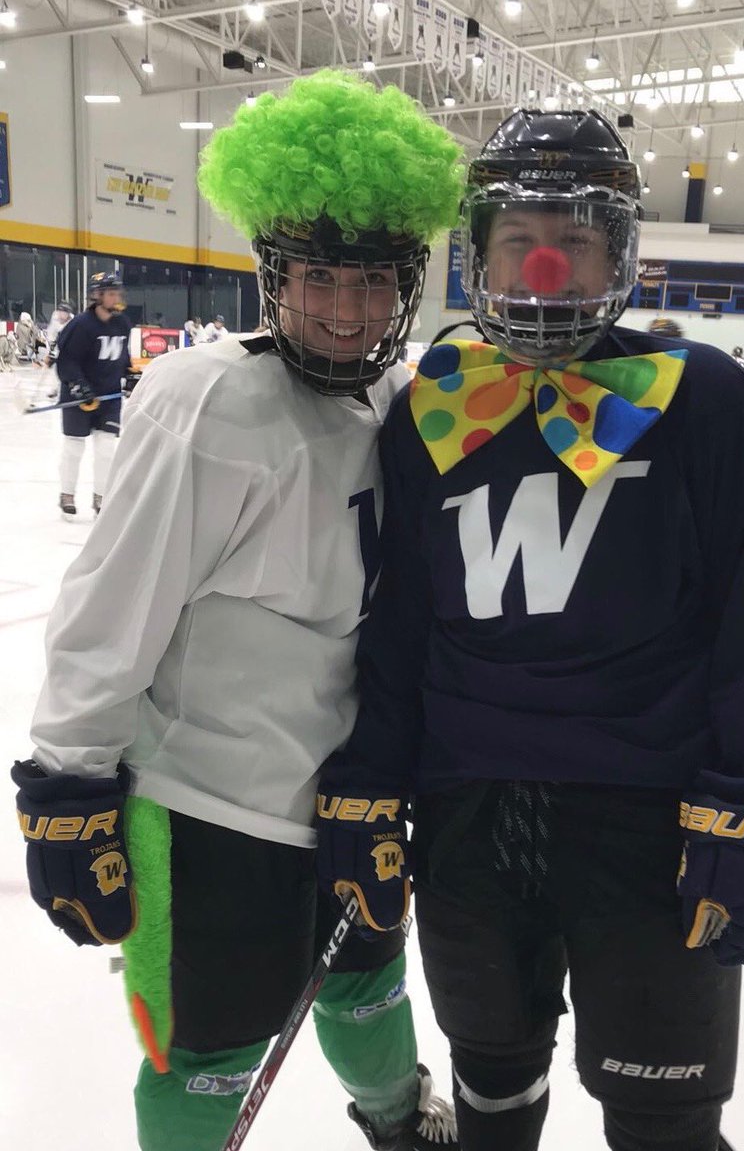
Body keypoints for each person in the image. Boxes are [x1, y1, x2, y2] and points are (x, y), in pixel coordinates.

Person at [316, 108, 744, 1151]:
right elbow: (399, 615)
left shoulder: (708, 400)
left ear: (619, 252)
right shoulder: (429, 406)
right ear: (480, 251)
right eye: (519, 242)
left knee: (663, 1114)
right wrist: (370, 783)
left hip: (652, 816)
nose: (545, 268)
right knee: (493, 1084)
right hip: (468, 813)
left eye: (577, 241)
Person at [11, 69, 464, 1151]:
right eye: (319, 278)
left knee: (368, 990)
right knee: (206, 1049)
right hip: (206, 802)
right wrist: (68, 782)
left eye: (373, 282)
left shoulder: (403, 404)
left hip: (350, 798)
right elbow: (111, 607)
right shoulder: (207, 401)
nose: (347, 312)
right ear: (273, 274)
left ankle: (403, 1122)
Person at [51, 273, 133, 516]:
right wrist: (78, 386)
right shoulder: (80, 326)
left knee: (107, 447)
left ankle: (101, 496)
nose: (116, 297)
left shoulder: (123, 324)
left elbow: (122, 357)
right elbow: (67, 362)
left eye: (118, 292)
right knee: (74, 447)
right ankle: (67, 493)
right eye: (111, 293)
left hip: (109, 397)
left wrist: (129, 375)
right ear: (97, 296)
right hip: (78, 396)